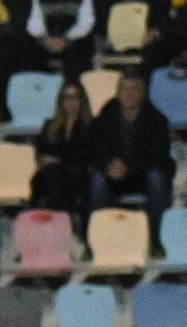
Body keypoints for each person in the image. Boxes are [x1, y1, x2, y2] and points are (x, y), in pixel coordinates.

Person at [89, 69, 175, 232]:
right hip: (114, 176)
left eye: (134, 89)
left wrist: (128, 167)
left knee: (156, 177)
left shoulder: (157, 121)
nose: (129, 94)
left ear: (143, 93)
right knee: (98, 179)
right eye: (124, 89)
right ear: (118, 93)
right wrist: (108, 166)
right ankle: (100, 235)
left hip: (143, 176)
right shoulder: (104, 119)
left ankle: (156, 236)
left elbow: (159, 156)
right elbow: (95, 150)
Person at [30, 80, 95, 219]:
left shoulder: (91, 126)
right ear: (61, 101)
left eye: (75, 97)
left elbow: (87, 158)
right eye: (67, 97)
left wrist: (59, 162)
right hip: (50, 176)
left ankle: (61, 220)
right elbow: (40, 152)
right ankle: (64, 220)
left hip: (78, 176)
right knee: (51, 174)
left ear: (82, 100)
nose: (71, 102)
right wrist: (49, 161)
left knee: (53, 173)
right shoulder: (49, 125)